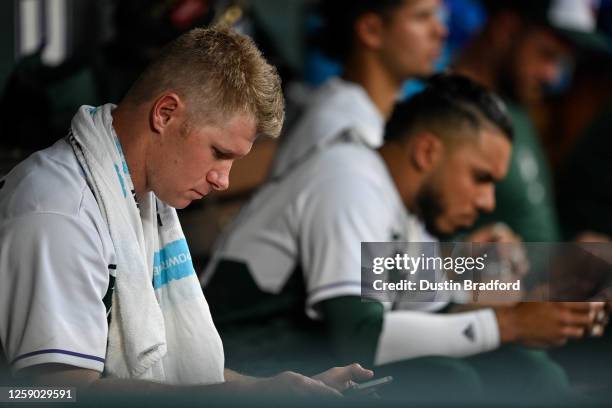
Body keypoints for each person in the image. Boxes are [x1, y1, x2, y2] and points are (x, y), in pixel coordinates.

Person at [0, 27, 374, 398]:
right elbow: (51, 394)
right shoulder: (59, 212)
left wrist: (281, 389)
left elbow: (182, 375)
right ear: (165, 113)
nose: (223, 180)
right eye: (219, 152)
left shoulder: (140, 193)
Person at [203, 74, 605, 401]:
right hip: (240, 365)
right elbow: (361, 339)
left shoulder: (405, 209)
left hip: (305, 359)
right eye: (480, 179)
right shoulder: (350, 180)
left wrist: (541, 305)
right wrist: (508, 324)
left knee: (526, 369)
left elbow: (440, 315)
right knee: (445, 380)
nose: (487, 201)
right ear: (428, 151)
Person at [452, 0, 611, 242]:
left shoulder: (518, 110)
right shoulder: (438, 111)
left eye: (562, 61)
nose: (552, 75)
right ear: (507, 29)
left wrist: (568, 258)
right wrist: (463, 261)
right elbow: (399, 250)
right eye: (546, 54)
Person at [269, 0, 447, 179]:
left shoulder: (370, 117)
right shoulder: (341, 133)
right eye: (422, 17)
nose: (440, 31)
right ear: (371, 31)